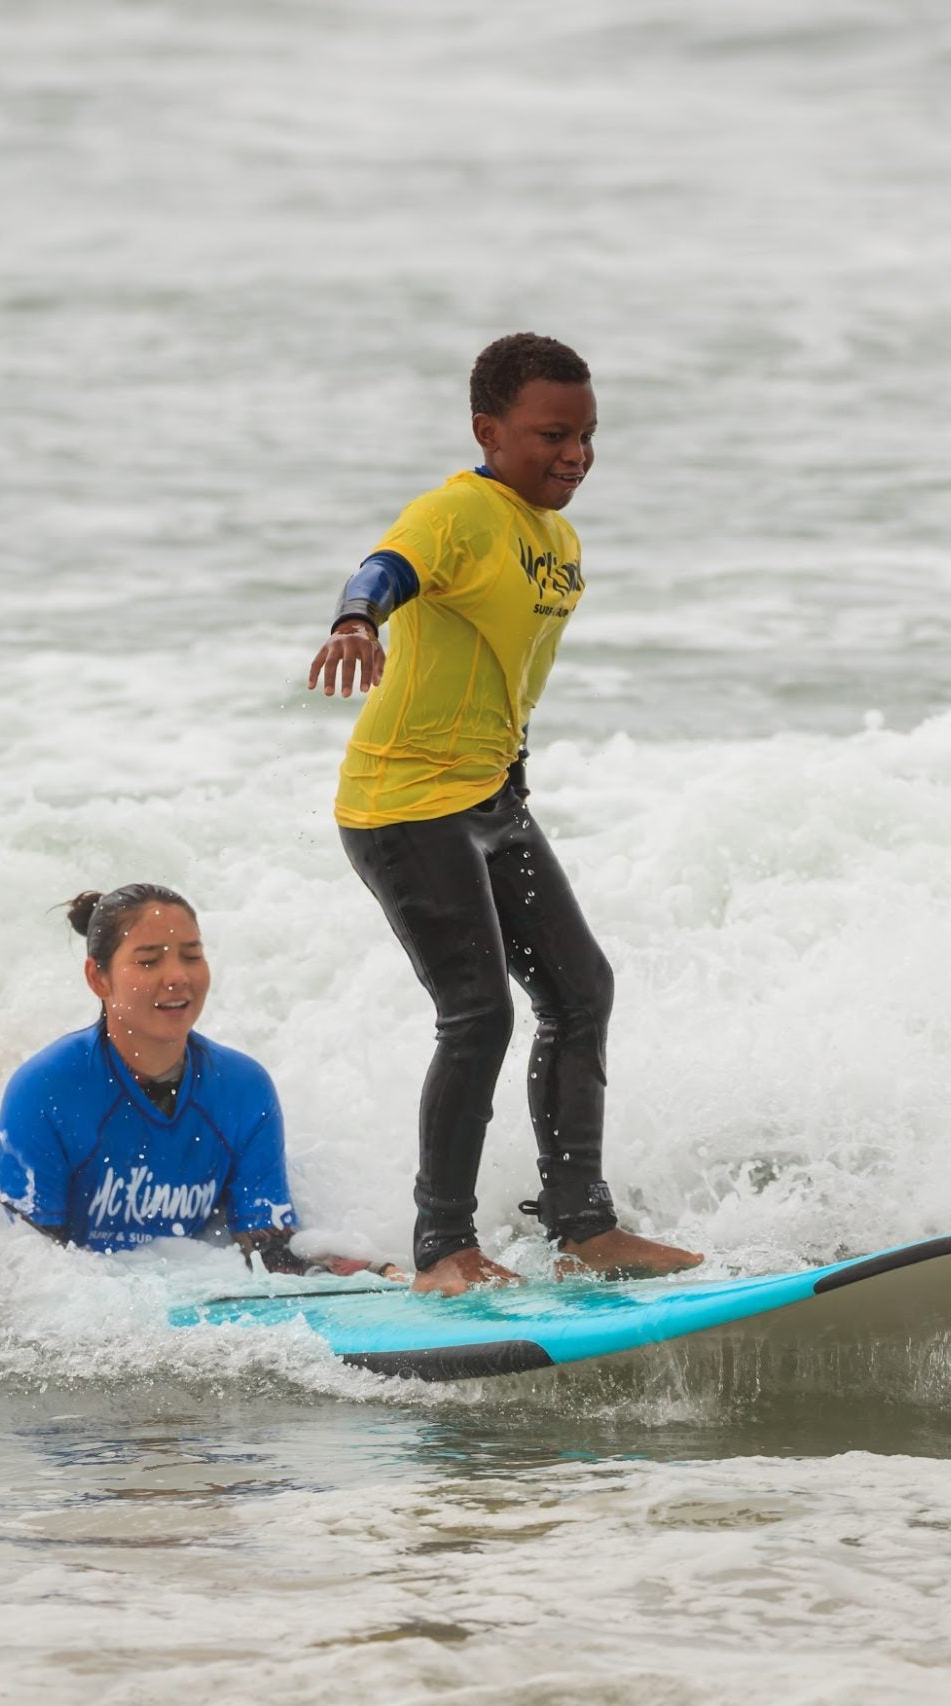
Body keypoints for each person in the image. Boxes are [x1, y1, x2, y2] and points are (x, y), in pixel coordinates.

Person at [306, 332, 703, 1295]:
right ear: (489, 430)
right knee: (476, 1015)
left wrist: (508, 775)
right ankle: (444, 1249)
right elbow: (385, 566)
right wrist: (357, 620)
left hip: (488, 801)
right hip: (404, 804)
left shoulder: (559, 540)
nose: (575, 455)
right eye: (552, 435)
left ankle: (583, 1227)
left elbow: (507, 678)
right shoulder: (459, 511)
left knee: (581, 995)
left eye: (587, 436)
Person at [0, 883, 388, 1278]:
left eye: (192, 955)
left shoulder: (243, 1090)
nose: (178, 976)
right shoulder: (45, 1092)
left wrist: (374, 1272)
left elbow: (272, 1253)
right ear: (98, 978)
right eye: (149, 961)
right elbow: (35, 1271)